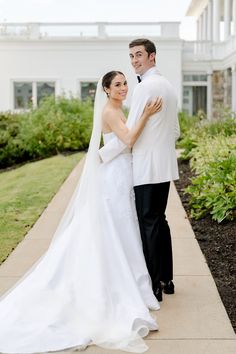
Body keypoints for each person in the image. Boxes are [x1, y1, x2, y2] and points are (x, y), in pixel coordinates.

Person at [0, 71, 162, 354]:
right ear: (107, 90)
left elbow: (117, 145)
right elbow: (129, 140)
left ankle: (132, 281)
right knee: (117, 229)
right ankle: (120, 284)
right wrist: (146, 115)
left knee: (123, 230)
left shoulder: (116, 108)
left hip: (120, 173)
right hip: (114, 178)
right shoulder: (110, 112)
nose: (123, 88)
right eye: (117, 85)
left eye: (125, 83)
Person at [99, 39, 180, 302]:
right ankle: (168, 279)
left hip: (146, 168)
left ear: (152, 57)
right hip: (164, 166)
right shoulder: (168, 85)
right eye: (131, 56)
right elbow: (175, 131)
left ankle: (154, 284)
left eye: (139, 55)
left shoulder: (145, 87)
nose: (134, 60)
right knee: (160, 221)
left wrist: (101, 155)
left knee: (149, 224)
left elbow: (129, 135)